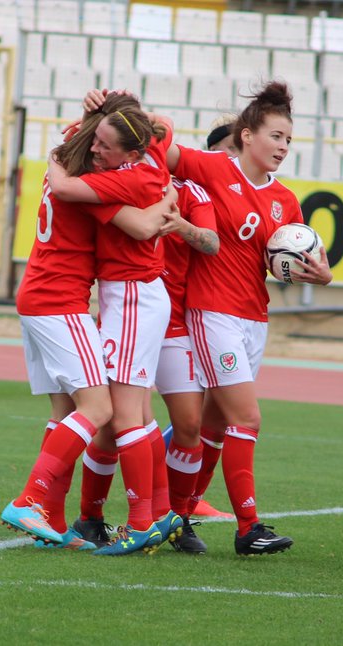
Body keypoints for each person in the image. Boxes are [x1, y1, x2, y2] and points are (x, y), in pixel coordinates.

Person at [165, 81, 334, 555]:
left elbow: (287, 263)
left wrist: (319, 275)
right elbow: (163, 152)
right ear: (246, 136)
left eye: (288, 140)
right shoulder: (215, 168)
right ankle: (248, 527)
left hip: (254, 317)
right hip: (212, 309)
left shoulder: (286, 201)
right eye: (276, 137)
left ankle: (176, 518)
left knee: (217, 428)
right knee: (249, 417)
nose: (282, 147)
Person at [1, 94, 175, 550]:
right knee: (102, 410)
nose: (99, 149)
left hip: (39, 295)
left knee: (69, 414)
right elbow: (140, 226)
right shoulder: (93, 178)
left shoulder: (68, 156)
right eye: (97, 140)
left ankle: (55, 522)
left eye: (106, 141)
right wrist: (167, 199)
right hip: (62, 300)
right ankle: (32, 500)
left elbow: (148, 131)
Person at [153, 176, 219, 554]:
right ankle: (89, 517)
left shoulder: (194, 192)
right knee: (110, 422)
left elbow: (211, 243)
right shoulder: (124, 178)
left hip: (175, 324)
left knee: (190, 424)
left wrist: (184, 226)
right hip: (127, 312)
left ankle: (177, 520)